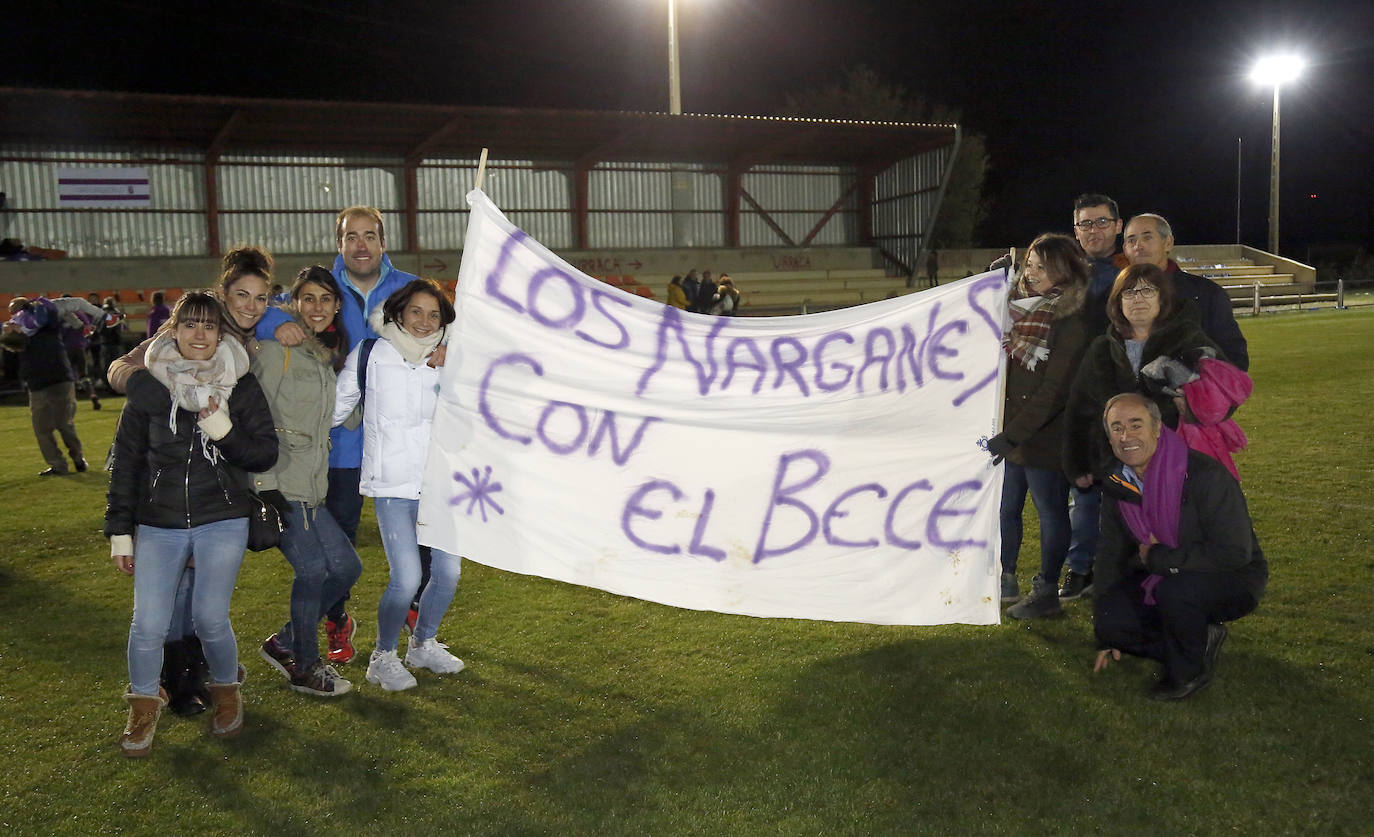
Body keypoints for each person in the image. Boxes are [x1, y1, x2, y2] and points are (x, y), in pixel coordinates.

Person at [105, 291, 277, 756]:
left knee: (209, 619)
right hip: (158, 522)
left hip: (221, 518)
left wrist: (222, 429)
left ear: (221, 333)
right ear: (172, 331)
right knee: (148, 624)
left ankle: (225, 692)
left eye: (208, 326)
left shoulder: (239, 384)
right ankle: (142, 709)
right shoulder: (149, 388)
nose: (199, 335)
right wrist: (121, 533)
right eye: (189, 325)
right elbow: (126, 465)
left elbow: (264, 453)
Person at [254, 206, 422, 665]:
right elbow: (259, 312)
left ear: (383, 243)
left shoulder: (408, 287)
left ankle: (417, 621)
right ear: (340, 243)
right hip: (340, 447)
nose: (361, 244)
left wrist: (443, 342)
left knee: (420, 537)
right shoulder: (321, 289)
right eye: (352, 237)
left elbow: (441, 322)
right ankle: (336, 624)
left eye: (370, 236)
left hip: (400, 443)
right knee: (341, 547)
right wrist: (278, 324)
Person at [333, 279, 467, 691]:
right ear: (397, 313)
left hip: (440, 484)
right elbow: (335, 409)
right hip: (392, 486)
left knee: (448, 573)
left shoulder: (454, 359)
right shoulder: (371, 355)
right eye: (416, 312)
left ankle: (422, 644)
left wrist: (457, 364)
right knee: (407, 578)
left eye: (434, 314)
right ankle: (383, 655)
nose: (425, 322)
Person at [1091, 393, 1266, 700]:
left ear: (1157, 428)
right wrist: (1105, 631)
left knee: (1175, 591)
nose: (1126, 436)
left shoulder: (1204, 475)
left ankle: (1187, 673)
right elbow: (1110, 553)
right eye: (1116, 428)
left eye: (1135, 425)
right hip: (1162, 572)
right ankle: (1199, 638)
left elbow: (1235, 552)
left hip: (1232, 576)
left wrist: (1163, 559)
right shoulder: (1118, 484)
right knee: (1113, 622)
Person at [254, 266, 362, 697]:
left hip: (312, 487)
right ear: (294, 303)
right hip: (278, 482)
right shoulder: (274, 348)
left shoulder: (326, 358)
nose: (316, 307)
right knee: (313, 569)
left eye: (325, 299)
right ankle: (305, 665)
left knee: (347, 567)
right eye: (308, 299)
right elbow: (251, 412)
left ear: (336, 307)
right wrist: (257, 478)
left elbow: (342, 414)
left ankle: (283, 643)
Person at [983, 234, 1091, 617]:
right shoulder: (1011, 307)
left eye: (1042, 266)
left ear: (1064, 270)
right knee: (1006, 507)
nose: (1031, 273)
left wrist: (1011, 435)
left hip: (1045, 436)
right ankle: (1005, 575)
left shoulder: (1071, 319)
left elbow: (1053, 392)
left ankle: (1045, 589)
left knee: (1050, 511)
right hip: (1011, 433)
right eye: (1029, 264)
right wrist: (988, 284)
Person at [1064, 263, 1236, 488]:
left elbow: (1228, 390)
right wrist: (1078, 463)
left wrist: (1195, 410)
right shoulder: (1102, 348)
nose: (1138, 298)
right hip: (1117, 466)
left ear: (1162, 299)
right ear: (1118, 302)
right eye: (1129, 292)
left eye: (1148, 290)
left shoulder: (1189, 340)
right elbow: (1079, 407)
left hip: (1178, 463)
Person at [1058, 193, 1127, 601]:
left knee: (1129, 486)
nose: (1094, 231)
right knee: (1082, 489)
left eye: (1102, 222)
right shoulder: (1066, 271)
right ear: (1075, 230)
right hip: (1076, 396)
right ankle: (1080, 567)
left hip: (1126, 393)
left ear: (1118, 226)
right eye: (1086, 224)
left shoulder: (1133, 271)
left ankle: (1122, 567)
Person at [1121, 213, 1248, 371]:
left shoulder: (1207, 293)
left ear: (1168, 243)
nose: (1138, 246)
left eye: (1147, 238)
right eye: (1131, 240)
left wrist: (1196, 394)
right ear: (1125, 249)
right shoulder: (1115, 296)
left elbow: (1235, 360)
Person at [2, 297, 86, 476]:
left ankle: (77, 457)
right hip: (37, 385)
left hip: (59, 381)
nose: (12, 320)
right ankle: (58, 465)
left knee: (64, 424)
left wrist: (28, 307)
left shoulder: (46, 327)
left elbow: (50, 313)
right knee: (42, 429)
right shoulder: (19, 340)